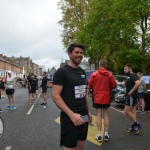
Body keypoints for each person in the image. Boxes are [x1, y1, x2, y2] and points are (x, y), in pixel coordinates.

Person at [52, 43, 92, 150]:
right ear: (70, 54)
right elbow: (55, 96)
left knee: (80, 145)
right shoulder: (62, 72)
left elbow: (83, 94)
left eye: (81, 53)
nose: (80, 55)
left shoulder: (82, 71)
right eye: (77, 52)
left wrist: (88, 112)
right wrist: (72, 115)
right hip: (70, 117)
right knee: (70, 147)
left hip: (84, 115)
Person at [88, 60, 117, 142]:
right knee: (106, 115)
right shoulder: (110, 75)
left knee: (99, 115)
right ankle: (106, 135)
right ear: (106, 65)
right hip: (106, 97)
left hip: (97, 96)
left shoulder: (95, 74)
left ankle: (99, 135)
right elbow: (114, 85)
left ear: (99, 65)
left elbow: (89, 84)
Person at [124, 64, 142, 134]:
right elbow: (132, 83)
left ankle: (137, 124)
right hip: (132, 96)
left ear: (130, 69)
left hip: (131, 96)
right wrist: (125, 84)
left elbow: (138, 83)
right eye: (124, 69)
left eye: (125, 69)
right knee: (133, 111)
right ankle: (134, 127)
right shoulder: (129, 76)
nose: (124, 70)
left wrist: (131, 91)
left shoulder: (133, 75)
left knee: (126, 111)